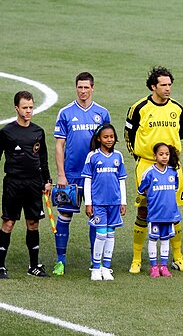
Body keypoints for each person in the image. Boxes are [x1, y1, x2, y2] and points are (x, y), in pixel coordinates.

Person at [125, 66, 183, 273]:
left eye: (170, 84)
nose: (168, 88)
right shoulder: (139, 107)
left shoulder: (178, 109)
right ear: (153, 86)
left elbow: (180, 134)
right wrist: (139, 156)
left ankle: (177, 257)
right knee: (143, 210)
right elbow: (128, 135)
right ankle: (137, 259)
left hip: (172, 166)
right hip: (146, 165)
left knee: (174, 209)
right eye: (163, 85)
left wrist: (172, 159)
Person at [52, 72, 111, 276]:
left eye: (86, 87)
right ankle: (60, 260)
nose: (83, 91)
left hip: (96, 177)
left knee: (96, 216)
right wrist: (61, 174)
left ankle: (96, 262)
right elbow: (59, 145)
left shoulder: (102, 113)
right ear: (75, 88)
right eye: (80, 87)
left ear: (92, 88)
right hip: (71, 175)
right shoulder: (66, 112)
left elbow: (107, 144)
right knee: (65, 215)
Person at [0, 91, 52, 279]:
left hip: (34, 183)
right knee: (8, 222)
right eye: (25, 108)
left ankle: (33, 266)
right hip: (13, 183)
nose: (29, 111)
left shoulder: (38, 132)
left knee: (33, 223)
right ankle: (0, 266)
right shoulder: (7, 132)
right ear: (16, 108)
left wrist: (47, 180)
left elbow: (43, 158)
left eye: (31, 107)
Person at [82, 124, 127, 280]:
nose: (109, 140)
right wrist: (89, 203)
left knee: (110, 235)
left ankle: (106, 268)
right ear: (99, 138)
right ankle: (95, 267)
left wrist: (123, 202)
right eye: (106, 137)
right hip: (98, 204)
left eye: (112, 137)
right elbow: (87, 181)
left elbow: (121, 181)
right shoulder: (92, 156)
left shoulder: (118, 156)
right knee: (100, 235)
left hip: (114, 203)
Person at [137, 143, 183, 278]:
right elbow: (142, 189)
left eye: (167, 154)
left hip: (169, 214)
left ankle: (163, 266)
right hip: (155, 214)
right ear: (155, 156)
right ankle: (153, 267)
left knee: (165, 240)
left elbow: (174, 188)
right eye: (161, 154)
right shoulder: (149, 173)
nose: (164, 157)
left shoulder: (173, 172)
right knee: (153, 239)